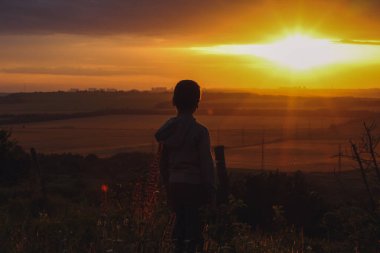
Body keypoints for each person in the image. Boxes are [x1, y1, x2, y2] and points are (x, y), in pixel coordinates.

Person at [155, 80, 215, 253]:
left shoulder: (167, 132)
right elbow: (206, 165)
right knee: (195, 234)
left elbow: (163, 163)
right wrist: (211, 192)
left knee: (179, 231)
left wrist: (167, 185)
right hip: (195, 187)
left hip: (174, 184)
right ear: (197, 102)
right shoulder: (200, 132)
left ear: (174, 101)